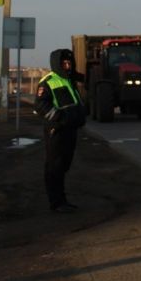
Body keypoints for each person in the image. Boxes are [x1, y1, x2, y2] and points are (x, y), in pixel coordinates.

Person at [34, 48, 85, 213]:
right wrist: (60, 118)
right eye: (64, 63)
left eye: (70, 62)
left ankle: (62, 201)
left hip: (70, 130)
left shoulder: (69, 80)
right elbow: (41, 106)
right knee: (54, 167)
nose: (68, 65)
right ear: (57, 63)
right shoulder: (48, 82)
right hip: (56, 132)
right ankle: (56, 203)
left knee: (63, 166)